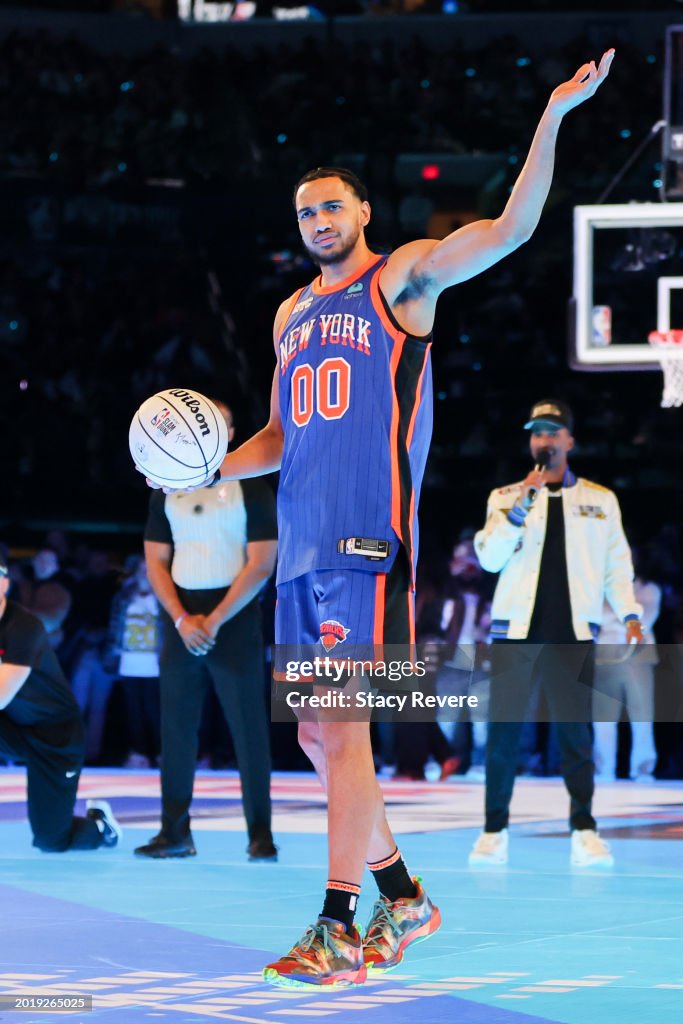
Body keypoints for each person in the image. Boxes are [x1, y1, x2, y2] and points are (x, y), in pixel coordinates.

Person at [150, 52, 614, 987]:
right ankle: (401, 895)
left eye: (332, 207)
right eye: (304, 212)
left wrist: (554, 117)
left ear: (362, 215)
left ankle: (334, 925)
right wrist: (200, 469)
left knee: (345, 722)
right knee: (318, 737)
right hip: (299, 547)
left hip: (367, 537)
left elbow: (511, 227)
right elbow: (283, 432)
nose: (318, 221)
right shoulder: (288, 314)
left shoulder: (400, 282)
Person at [470, 398, 643, 869]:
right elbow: (488, 557)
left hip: (571, 633)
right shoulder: (506, 496)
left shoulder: (600, 500)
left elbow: (616, 566)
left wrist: (629, 613)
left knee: (576, 737)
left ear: (569, 440)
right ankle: (493, 830)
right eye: (536, 432)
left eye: (552, 431)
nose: (543, 440)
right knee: (502, 735)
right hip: (515, 632)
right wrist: (521, 506)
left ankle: (584, 828)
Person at [137, 402, 279, 862]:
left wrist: (214, 619)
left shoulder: (252, 483)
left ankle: (260, 833)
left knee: (248, 730)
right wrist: (181, 617)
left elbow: (262, 563)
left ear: (232, 431)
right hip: (180, 617)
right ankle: (173, 832)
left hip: (233, 618)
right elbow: (155, 559)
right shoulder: (166, 484)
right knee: (175, 730)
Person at [0, 554, 120, 852]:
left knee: (51, 841)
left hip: (56, 736)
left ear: (3, 584)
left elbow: (1, 694)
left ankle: (100, 826)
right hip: (14, 727)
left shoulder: (23, 627)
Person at [593, 562, 661, 782]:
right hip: (606, 654)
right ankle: (604, 768)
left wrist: (616, 618)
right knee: (603, 716)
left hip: (639, 655)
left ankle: (643, 769)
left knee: (641, 714)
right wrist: (626, 616)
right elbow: (596, 616)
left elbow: (644, 621)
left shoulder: (648, 588)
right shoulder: (600, 585)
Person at [104, 555, 162, 769]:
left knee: (154, 710)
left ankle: (160, 753)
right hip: (129, 661)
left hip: (154, 664)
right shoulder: (123, 597)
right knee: (133, 711)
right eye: (141, 569)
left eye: (149, 569)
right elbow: (113, 627)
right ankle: (138, 753)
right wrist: (112, 655)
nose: (144, 574)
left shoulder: (163, 598)